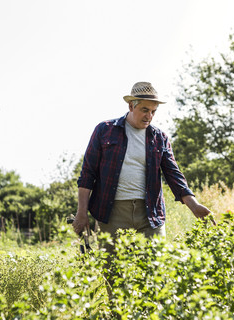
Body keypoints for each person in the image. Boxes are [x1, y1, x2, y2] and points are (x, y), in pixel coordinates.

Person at [72, 81, 216, 249]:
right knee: (112, 271)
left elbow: (174, 175)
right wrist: (82, 212)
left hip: (150, 214)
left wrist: (194, 205)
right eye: (145, 110)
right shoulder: (104, 130)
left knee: (154, 269)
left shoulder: (159, 138)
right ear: (131, 106)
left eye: (153, 111)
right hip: (111, 213)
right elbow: (88, 174)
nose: (149, 116)